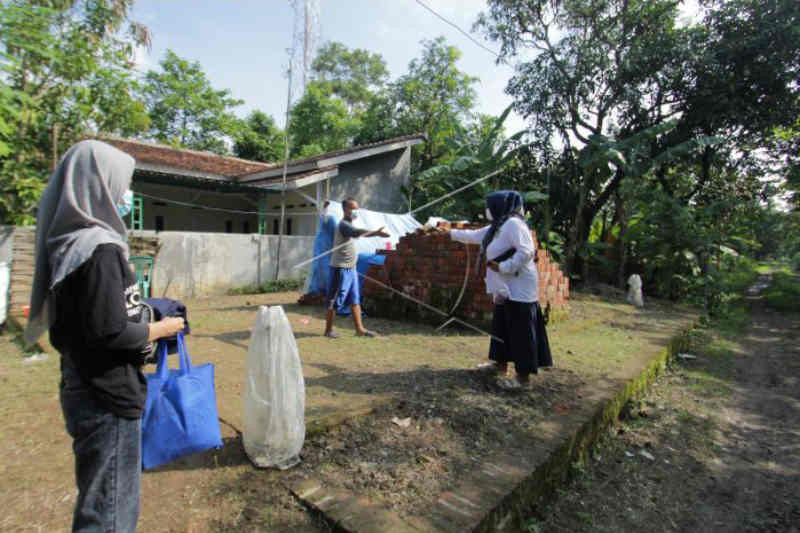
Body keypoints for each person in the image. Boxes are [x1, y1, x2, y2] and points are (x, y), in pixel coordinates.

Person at [25, 140, 186, 533]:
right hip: (107, 392)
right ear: (99, 184)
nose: (125, 193)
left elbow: (93, 319)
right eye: (122, 182)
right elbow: (109, 331)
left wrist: (142, 310)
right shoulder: (100, 248)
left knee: (99, 498)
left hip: (83, 381)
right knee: (110, 512)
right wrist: (163, 327)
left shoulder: (70, 242)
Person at [441, 190, 552, 389]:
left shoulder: (514, 225)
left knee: (520, 330)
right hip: (503, 287)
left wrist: (503, 267)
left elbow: (527, 252)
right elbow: (474, 235)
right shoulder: (497, 226)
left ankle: (523, 378)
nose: (487, 211)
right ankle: (500, 365)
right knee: (502, 326)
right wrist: (448, 232)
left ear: (499, 207)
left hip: (519, 286)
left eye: (489, 206)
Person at [324, 198, 390, 338]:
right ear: (345, 209)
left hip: (351, 268)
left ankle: (360, 330)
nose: (355, 211)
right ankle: (328, 330)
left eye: (356, 208)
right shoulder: (343, 225)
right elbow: (357, 232)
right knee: (335, 300)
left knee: (355, 299)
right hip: (340, 268)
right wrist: (376, 233)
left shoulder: (349, 224)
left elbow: (356, 232)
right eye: (352, 208)